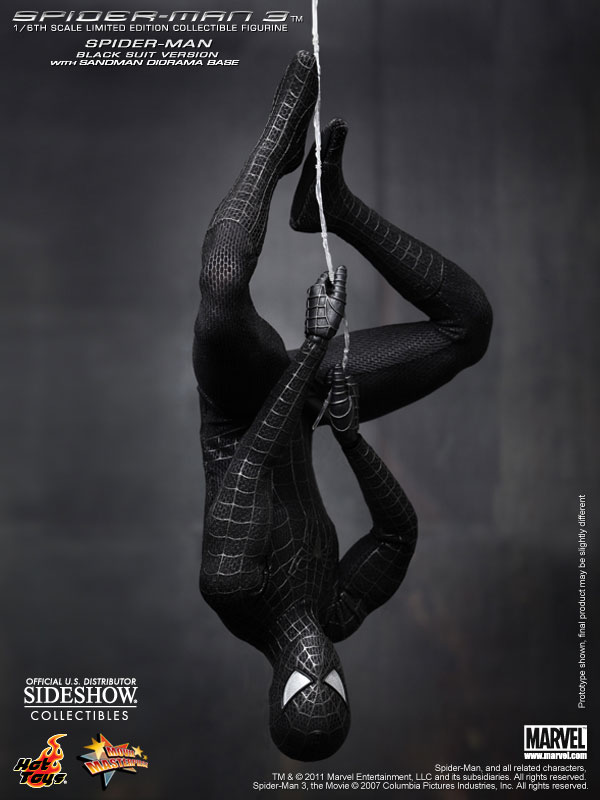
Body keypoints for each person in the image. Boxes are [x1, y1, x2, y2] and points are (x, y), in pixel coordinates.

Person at [193, 51, 492, 761]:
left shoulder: (231, 588)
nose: (319, 663)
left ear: (280, 687)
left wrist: (316, 344)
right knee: (468, 327)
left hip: (242, 408)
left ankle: (279, 139)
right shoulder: (339, 608)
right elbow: (398, 535)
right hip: (310, 408)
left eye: (305, 682)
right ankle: (332, 205)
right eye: (333, 680)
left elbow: (252, 460)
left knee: (222, 292)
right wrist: (353, 438)